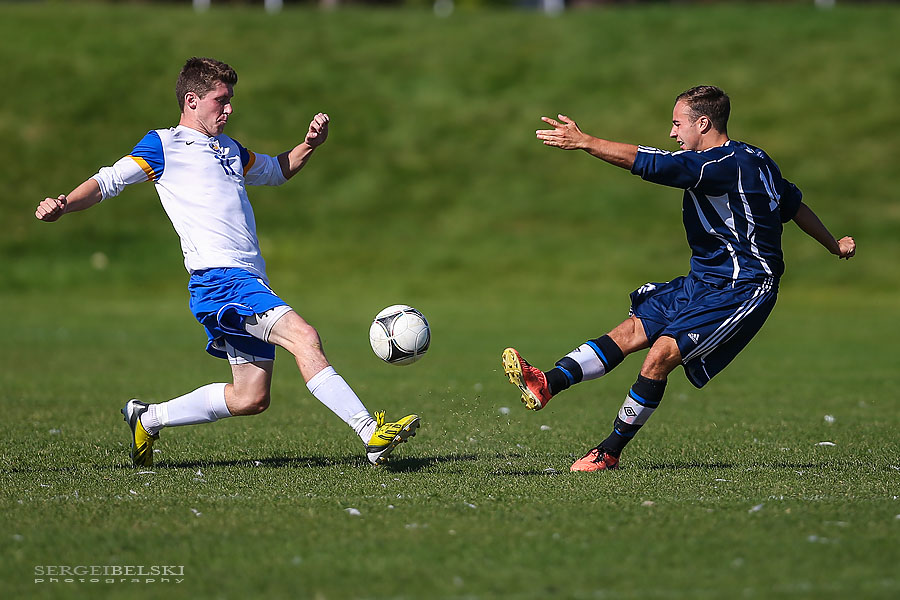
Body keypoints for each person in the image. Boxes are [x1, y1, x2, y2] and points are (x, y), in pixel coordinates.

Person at [35, 57, 420, 468]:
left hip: (248, 279)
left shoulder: (229, 149)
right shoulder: (164, 145)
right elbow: (108, 181)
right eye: (221, 100)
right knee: (304, 337)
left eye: (231, 99)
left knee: (250, 397)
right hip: (221, 281)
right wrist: (64, 204)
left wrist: (309, 144)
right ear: (192, 100)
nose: (229, 108)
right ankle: (369, 432)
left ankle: (148, 417)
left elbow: (274, 170)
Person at [502, 85, 855, 472]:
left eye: (677, 123)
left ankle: (608, 452)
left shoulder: (717, 165)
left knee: (661, 354)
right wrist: (833, 245)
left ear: (703, 123)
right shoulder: (753, 157)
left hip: (745, 287)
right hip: (702, 281)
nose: (672, 133)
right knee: (631, 331)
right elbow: (794, 205)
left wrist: (586, 142)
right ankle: (547, 383)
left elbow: (655, 164)